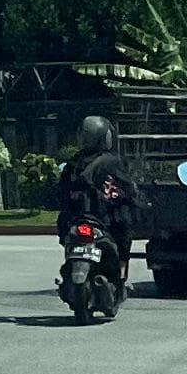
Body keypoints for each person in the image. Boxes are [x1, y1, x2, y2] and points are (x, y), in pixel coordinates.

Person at [54, 114, 141, 276]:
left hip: (76, 219)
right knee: (124, 231)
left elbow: (60, 192)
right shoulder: (113, 161)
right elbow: (128, 188)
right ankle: (121, 273)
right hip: (104, 219)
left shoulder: (74, 162)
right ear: (106, 137)